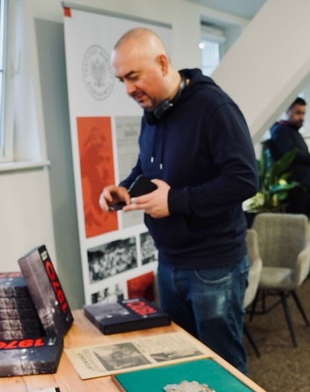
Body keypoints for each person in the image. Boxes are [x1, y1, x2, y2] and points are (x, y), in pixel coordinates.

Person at [99, 28, 258, 374]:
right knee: (182, 364)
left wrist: (175, 201)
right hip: (169, 262)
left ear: (161, 63)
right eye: (121, 80)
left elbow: (245, 179)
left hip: (214, 266)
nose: (128, 89)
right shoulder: (153, 111)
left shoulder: (214, 107)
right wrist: (125, 188)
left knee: (224, 369)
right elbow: (146, 167)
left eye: (133, 76)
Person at [269, 97, 310, 218]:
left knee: (303, 224)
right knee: (295, 226)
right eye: (298, 113)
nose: (301, 117)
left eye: (303, 113)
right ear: (287, 111)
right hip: (292, 189)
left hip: (303, 188)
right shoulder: (280, 130)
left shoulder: (293, 131)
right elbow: (290, 154)